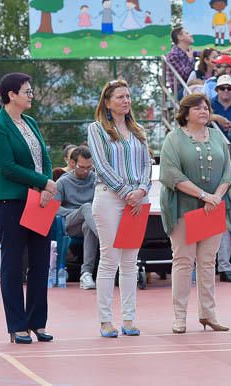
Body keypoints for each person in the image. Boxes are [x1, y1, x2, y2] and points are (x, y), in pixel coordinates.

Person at [159, 94, 231, 333]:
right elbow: (171, 174)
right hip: (184, 209)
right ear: (185, 112)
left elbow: (228, 172)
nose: (203, 111)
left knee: (207, 263)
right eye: (197, 108)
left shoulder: (216, 136)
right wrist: (204, 196)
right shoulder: (174, 139)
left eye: (206, 108)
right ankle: (180, 317)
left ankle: (208, 314)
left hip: (212, 208)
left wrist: (215, 197)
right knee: (183, 262)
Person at [0, 72, 56, 344]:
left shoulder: (30, 122)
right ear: (11, 95)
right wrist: (42, 182)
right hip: (12, 202)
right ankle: (16, 325)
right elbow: (7, 167)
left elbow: (45, 158)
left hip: (39, 201)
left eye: (31, 90)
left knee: (40, 264)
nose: (31, 95)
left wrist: (46, 186)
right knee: (13, 265)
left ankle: (37, 323)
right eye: (27, 91)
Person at [87, 80, 151, 338]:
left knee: (130, 261)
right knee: (110, 258)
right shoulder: (97, 129)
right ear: (107, 102)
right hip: (109, 198)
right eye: (120, 97)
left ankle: (129, 318)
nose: (126, 101)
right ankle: (105, 320)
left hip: (138, 199)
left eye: (128, 96)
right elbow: (101, 166)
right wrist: (126, 193)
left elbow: (148, 163)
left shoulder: (138, 131)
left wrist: (142, 191)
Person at [54, 146, 99, 290]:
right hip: (69, 222)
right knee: (86, 208)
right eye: (82, 167)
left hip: (90, 223)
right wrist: (76, 212)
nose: (86, 171)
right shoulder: (62, 182)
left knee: (88, 225)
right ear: (72, 163)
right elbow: (54, 208)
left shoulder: (95, 178)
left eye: (89, 167)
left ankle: (86, 274)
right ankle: (107, 240)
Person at [165, 26, 195, 94]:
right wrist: (190, 59)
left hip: (189, 87)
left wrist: (221, 52)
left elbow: (203, 53)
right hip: (181, 90)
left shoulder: (187, 51)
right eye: (187, 33)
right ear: (180, 37)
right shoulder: (173, 55)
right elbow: (185, 76)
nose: (191, 35)